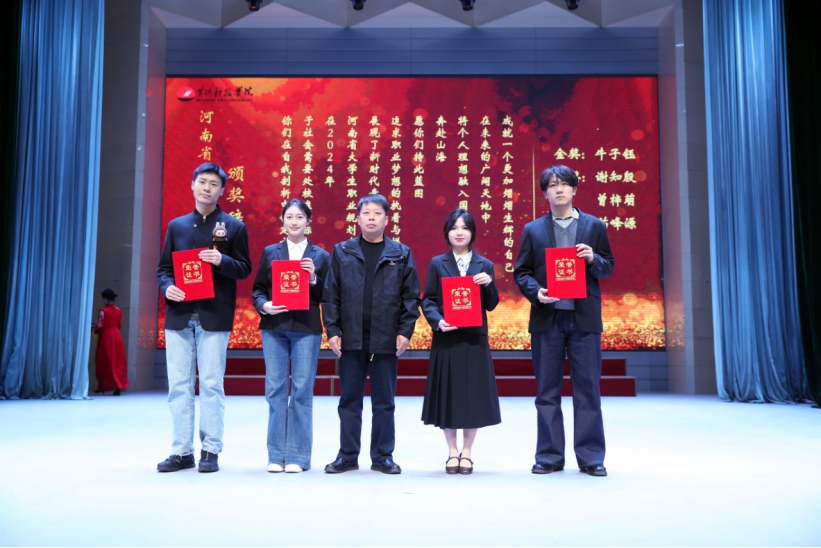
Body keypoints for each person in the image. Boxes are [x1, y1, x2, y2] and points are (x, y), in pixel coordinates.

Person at [514, 165, 614, 477]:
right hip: (548, 318)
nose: (559, 189)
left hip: (584, 320)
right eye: (552, 185)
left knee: (588, 391)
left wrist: (592, 259)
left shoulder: (595, 226)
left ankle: (591, 457)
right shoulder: (533, 230)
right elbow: (522, 272)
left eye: (565, 184)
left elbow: (608, 266)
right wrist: (537, 292)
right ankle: (549, 456)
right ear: (544, 193)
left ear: (574, 189)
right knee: (547, 392)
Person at [155, 162, 252, 474]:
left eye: (213, 184)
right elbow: (164, 269)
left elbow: (244, 269)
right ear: (193, 185)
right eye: (202, 182)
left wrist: (222, 259)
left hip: (214, 315)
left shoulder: (234, 226)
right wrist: (167, 287)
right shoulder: (177, 226)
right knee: (178, 386)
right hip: (179, 316)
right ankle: (181, 452)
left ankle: (210, 450)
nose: (207, 188)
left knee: (211, 384)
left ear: (222, 191)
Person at [322, 194, 421, 475]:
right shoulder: (342, 251)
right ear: (358, 218)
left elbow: (410, 297)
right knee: (349, 402)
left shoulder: (401, 253)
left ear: (387, 219)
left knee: (384, 403)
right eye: (366, 212)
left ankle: (382, 456)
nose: (371, 217)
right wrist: (332, 330)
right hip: (351, 340)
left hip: (386, 340)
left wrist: (405, 331)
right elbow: (331, 294)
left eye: (377, 213)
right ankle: (347, 455)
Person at [420, 209, 501, 475]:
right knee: (449, 394)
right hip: (448, 336)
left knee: (472, 396)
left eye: (465, 227)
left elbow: (491, 304)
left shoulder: (485, 264)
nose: (459, 232)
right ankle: (452, 451)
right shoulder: (437, 263)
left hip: (474, 338)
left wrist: (489, 284)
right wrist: (438, 321)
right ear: (447, 233)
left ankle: (467, 452)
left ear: (472, 233)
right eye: (454, 227)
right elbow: (429, 300)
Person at [252, 199, 330, 474]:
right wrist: (264, 305)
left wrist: (313, 279)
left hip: (306, 329)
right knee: (275, 390)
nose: (294, 222)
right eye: (289, 217)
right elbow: (258, 289)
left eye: (299, 217)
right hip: (274, 327)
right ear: (282, 221)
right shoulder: (270, 252)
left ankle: (298, 456)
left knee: (301, 391)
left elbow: (327, 294)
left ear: (308, 221)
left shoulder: (320, 256)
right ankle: (276, 455)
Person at [91, 289, 129, 396]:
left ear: (105, 298)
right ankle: (118, 386)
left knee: (102, 361)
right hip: (117, 338)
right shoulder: (119, 310)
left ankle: (102, 386)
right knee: (118, 363)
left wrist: (91, 326)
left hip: (106, 338)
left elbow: (99, 325)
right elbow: (119, 325)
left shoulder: (103, 310)